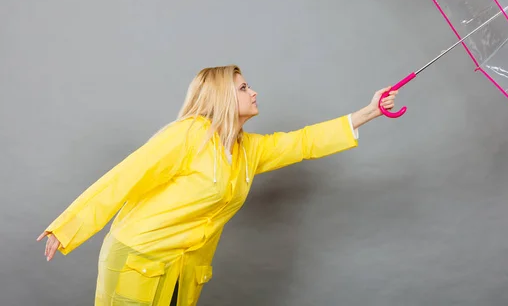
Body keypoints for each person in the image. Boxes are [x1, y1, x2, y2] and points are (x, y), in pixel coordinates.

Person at [37, 65, 399, 306]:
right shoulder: (188, 135)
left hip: (184, 270)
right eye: (243, 87)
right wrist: (69, 227)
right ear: (223, 97)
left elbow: (303, 142)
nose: (254, 92)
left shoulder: (248, 150)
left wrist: (370, 111)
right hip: (138, 260)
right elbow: (123, 177)